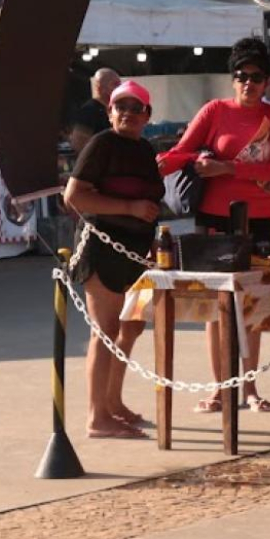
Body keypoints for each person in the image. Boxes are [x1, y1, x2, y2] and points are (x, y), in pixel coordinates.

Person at [158, 37, 270, 415]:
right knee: (216, 305)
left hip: (261, 218)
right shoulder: (215, 110)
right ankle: (220, 390)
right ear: (232, 79)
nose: (249, 83)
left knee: (250, 305)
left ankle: (249, 388)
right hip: (215, 218)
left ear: (267, 81)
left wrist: (227, 168)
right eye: (242, 76)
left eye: (256, 77)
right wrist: (153, 165)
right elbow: (181, 152)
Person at [64, 80, 164, 439]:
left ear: (147, 115)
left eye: (136, 108)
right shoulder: (101, 144)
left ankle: (112, 403)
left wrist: (150, 239)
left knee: (131, 328)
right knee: (104, 332)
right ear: (110, 111)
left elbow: (151, 202)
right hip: (103, 249)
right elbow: (74, 197)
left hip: (136, 253)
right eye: (121, 107)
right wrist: (129, 207)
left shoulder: (145, 149)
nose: (128, 114)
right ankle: (97, 417)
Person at [69, 67, 120, 154]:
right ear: (100, 87)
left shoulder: (114, 110)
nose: (119, 88)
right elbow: (78, 143)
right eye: (115, 84)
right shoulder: (89, 111)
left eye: (119, 84)